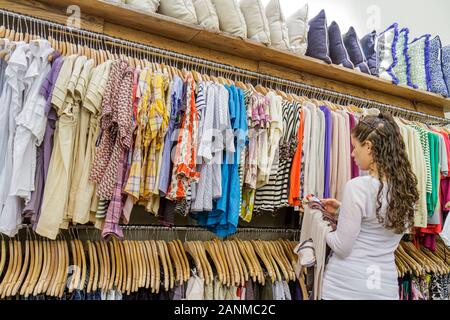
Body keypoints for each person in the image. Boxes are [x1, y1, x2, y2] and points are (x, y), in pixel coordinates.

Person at [320, 112, 419, 300]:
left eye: (354, 146)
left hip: (346, 288)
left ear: (368, 147)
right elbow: (377, 225)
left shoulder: (357, 187)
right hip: (384, 287)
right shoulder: (405, 192)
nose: (352, 153)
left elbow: (342, 246)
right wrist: (343, 209)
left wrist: (320, 225)